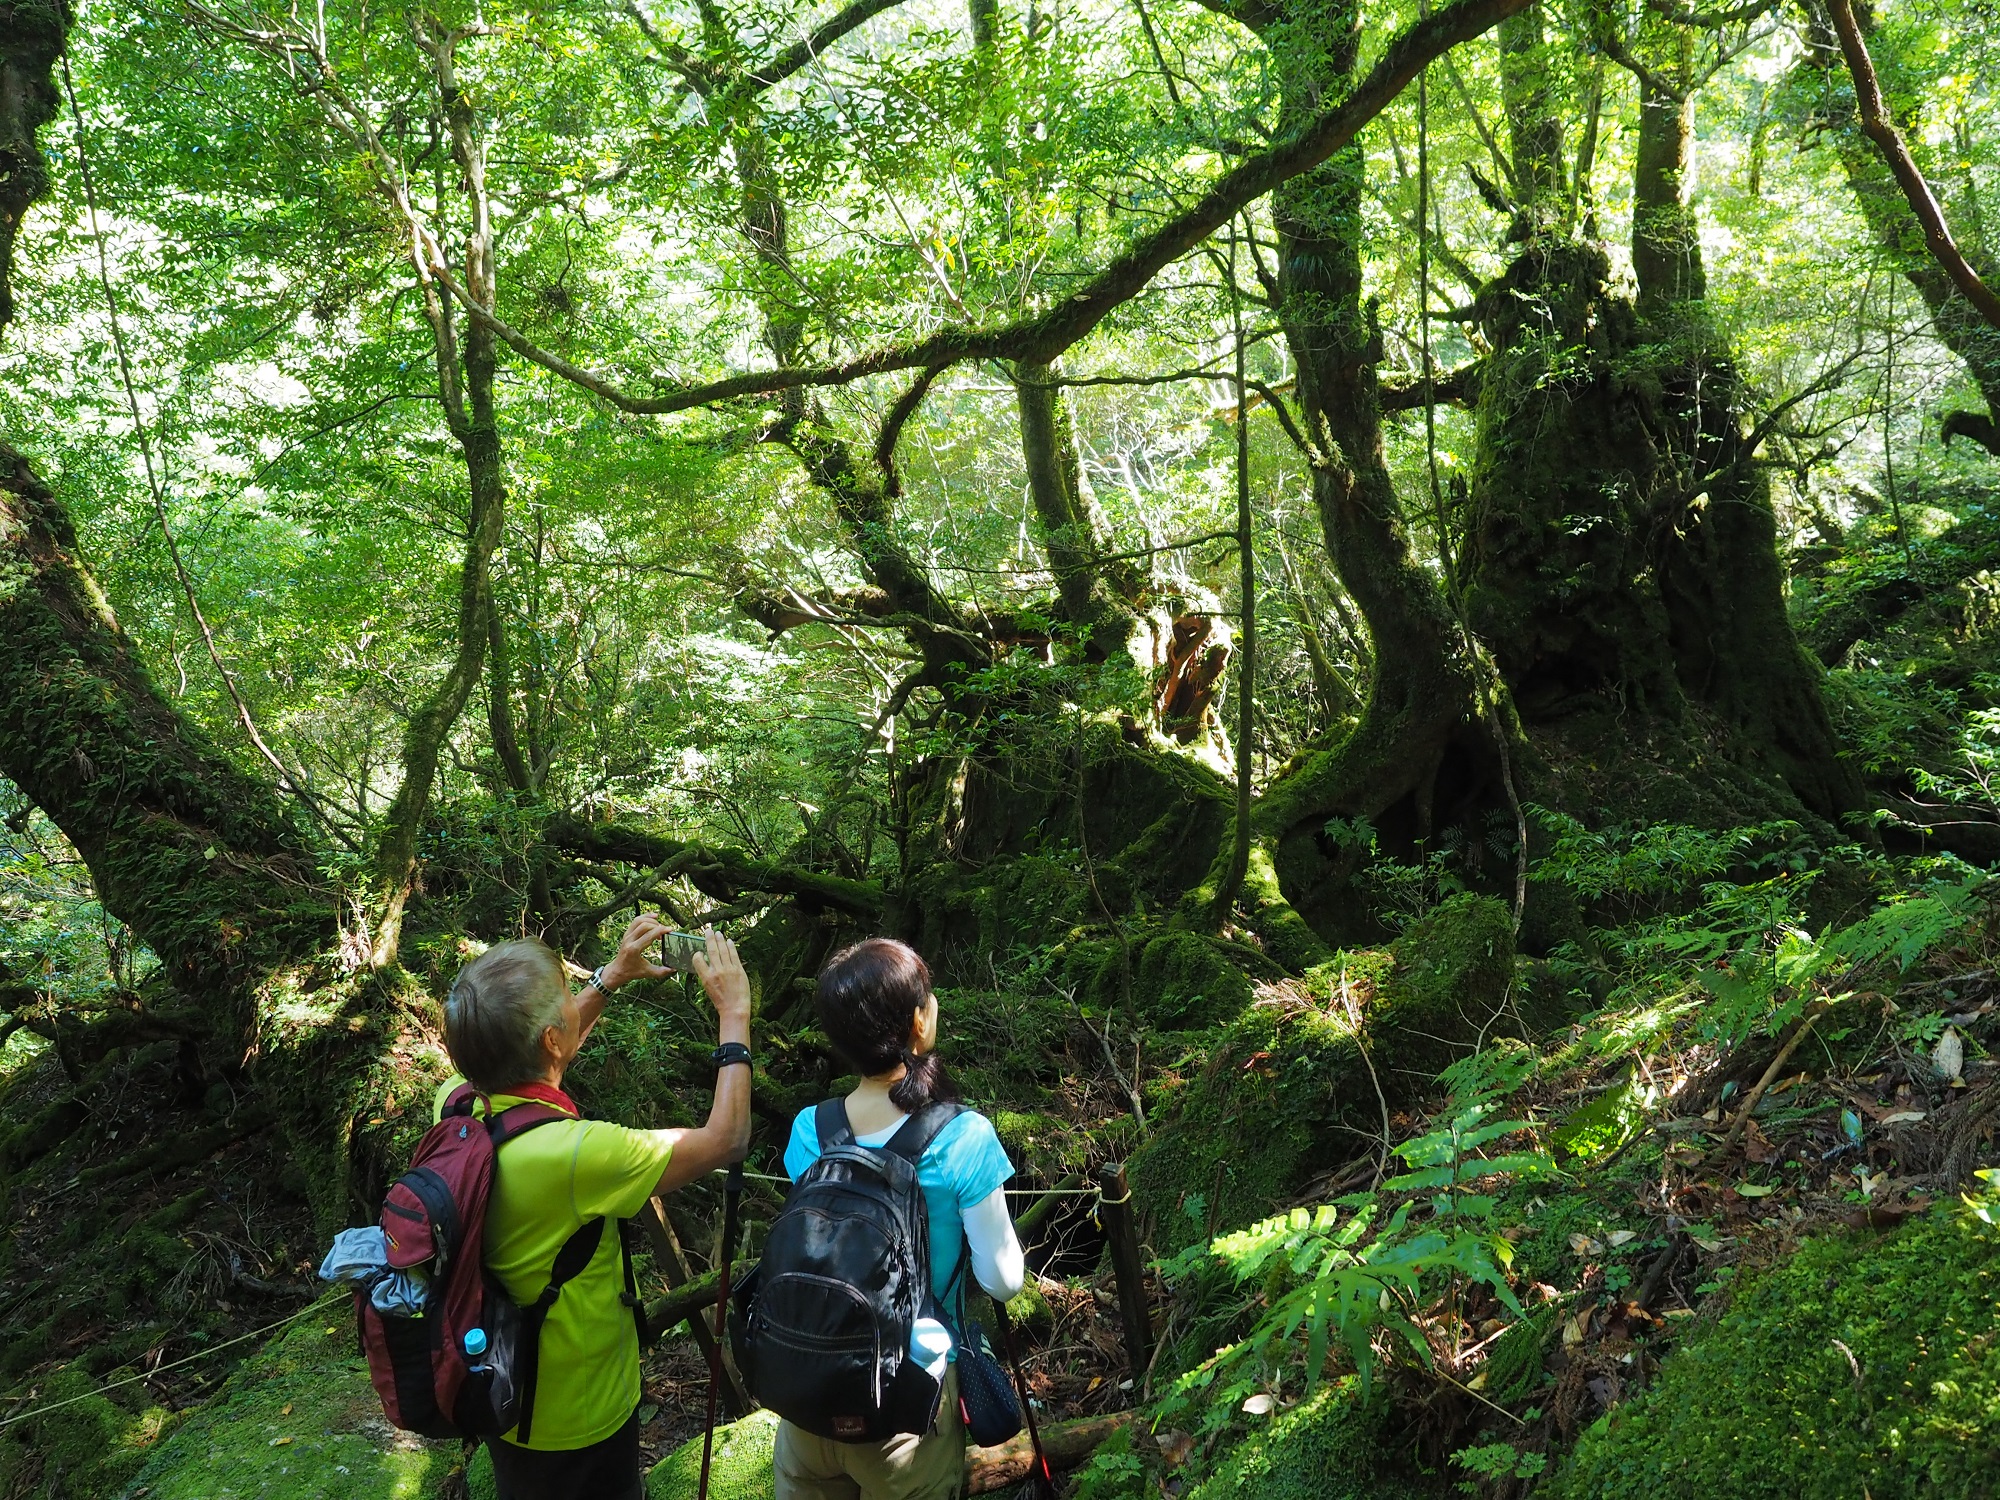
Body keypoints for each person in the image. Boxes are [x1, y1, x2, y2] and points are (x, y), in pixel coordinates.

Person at [438, 916, 752, 1500]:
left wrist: (611, 979)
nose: (571, 1004)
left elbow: (535, 1063)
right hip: (579, 1412)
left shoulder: (458, 1107)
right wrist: (734, 1016)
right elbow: (726, 1138)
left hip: (506, 1383)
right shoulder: (579, 1155)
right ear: (552, 1039)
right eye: (566, 999)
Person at [775, 937, 1026, 1500]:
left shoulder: (809, 1129)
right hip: (908, 1408)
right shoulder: (964, 1136)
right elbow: (1003, 1282)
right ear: (918, 1021)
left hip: (808, 1396)